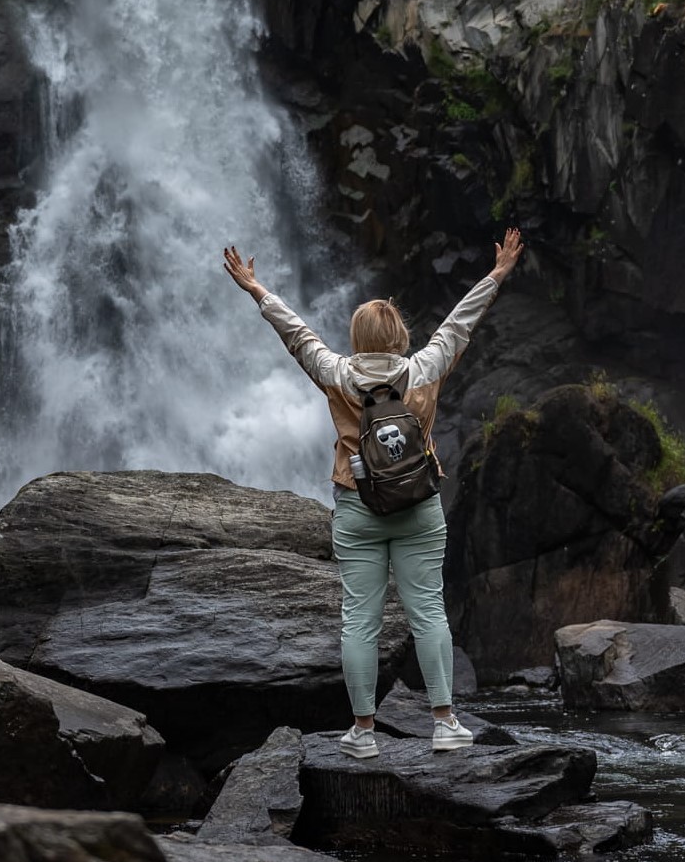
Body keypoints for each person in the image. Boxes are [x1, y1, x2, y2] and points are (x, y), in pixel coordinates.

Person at [222, 227, 524, 758]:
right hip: (419, 504)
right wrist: (496, 275)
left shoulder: (336, 373)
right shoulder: (424, 369)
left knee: (359, 620)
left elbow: (296, 332)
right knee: (428, 611)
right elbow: (460, 323)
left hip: (356, 504)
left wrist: (256, 288)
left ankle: (363, 731)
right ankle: (445, 723)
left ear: (358, 337)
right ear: (400, 337)